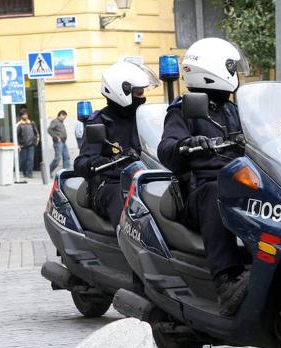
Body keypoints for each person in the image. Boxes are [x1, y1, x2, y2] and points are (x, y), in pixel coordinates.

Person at [157, 38, 249, 316]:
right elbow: (167, 148)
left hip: (243, 183)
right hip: (200, 191)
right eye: (232, 67)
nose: (236, 73)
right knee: (215, 192)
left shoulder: (236, 108)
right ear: (214, 70)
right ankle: (225, 281)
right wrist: (187, 144)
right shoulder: (184, 108)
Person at [74, 61, 159, 229]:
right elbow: (82, 162)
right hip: (111, 184)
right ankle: (129, 249)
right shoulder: (99, 122)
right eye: (139, 92)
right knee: (120, 196)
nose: (143, 97)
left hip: (144, 180)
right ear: (122, 91)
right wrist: (97, 162)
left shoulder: (144, 118)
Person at [16, 112, 39, 178]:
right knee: (23, 160)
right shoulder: (19, 125)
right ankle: (25, 172)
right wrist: (18, 145)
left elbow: (36, 133)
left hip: (31, 144)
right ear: (21, 116)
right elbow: (16, 136)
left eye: (26, 114)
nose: (25, 116)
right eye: (24, 115)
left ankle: (30, 173)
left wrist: (36, 142)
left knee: (30, 159)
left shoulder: (32, 123)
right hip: (23, 145)